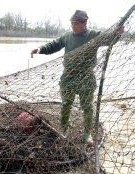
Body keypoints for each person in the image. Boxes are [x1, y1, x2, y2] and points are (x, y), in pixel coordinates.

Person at [31, 10, 124, 145]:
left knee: (87, 107)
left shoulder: (93, 35)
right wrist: (40, 49)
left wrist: (117, 33)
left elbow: (109, 39)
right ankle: (64, 131)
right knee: (65, 105)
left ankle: (87, 135)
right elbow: (54, 45)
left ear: (84, 23)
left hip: (86, 78)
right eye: (72, 23)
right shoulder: (67, 36)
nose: (72, 26)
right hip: (68, 77)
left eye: (75, 23)